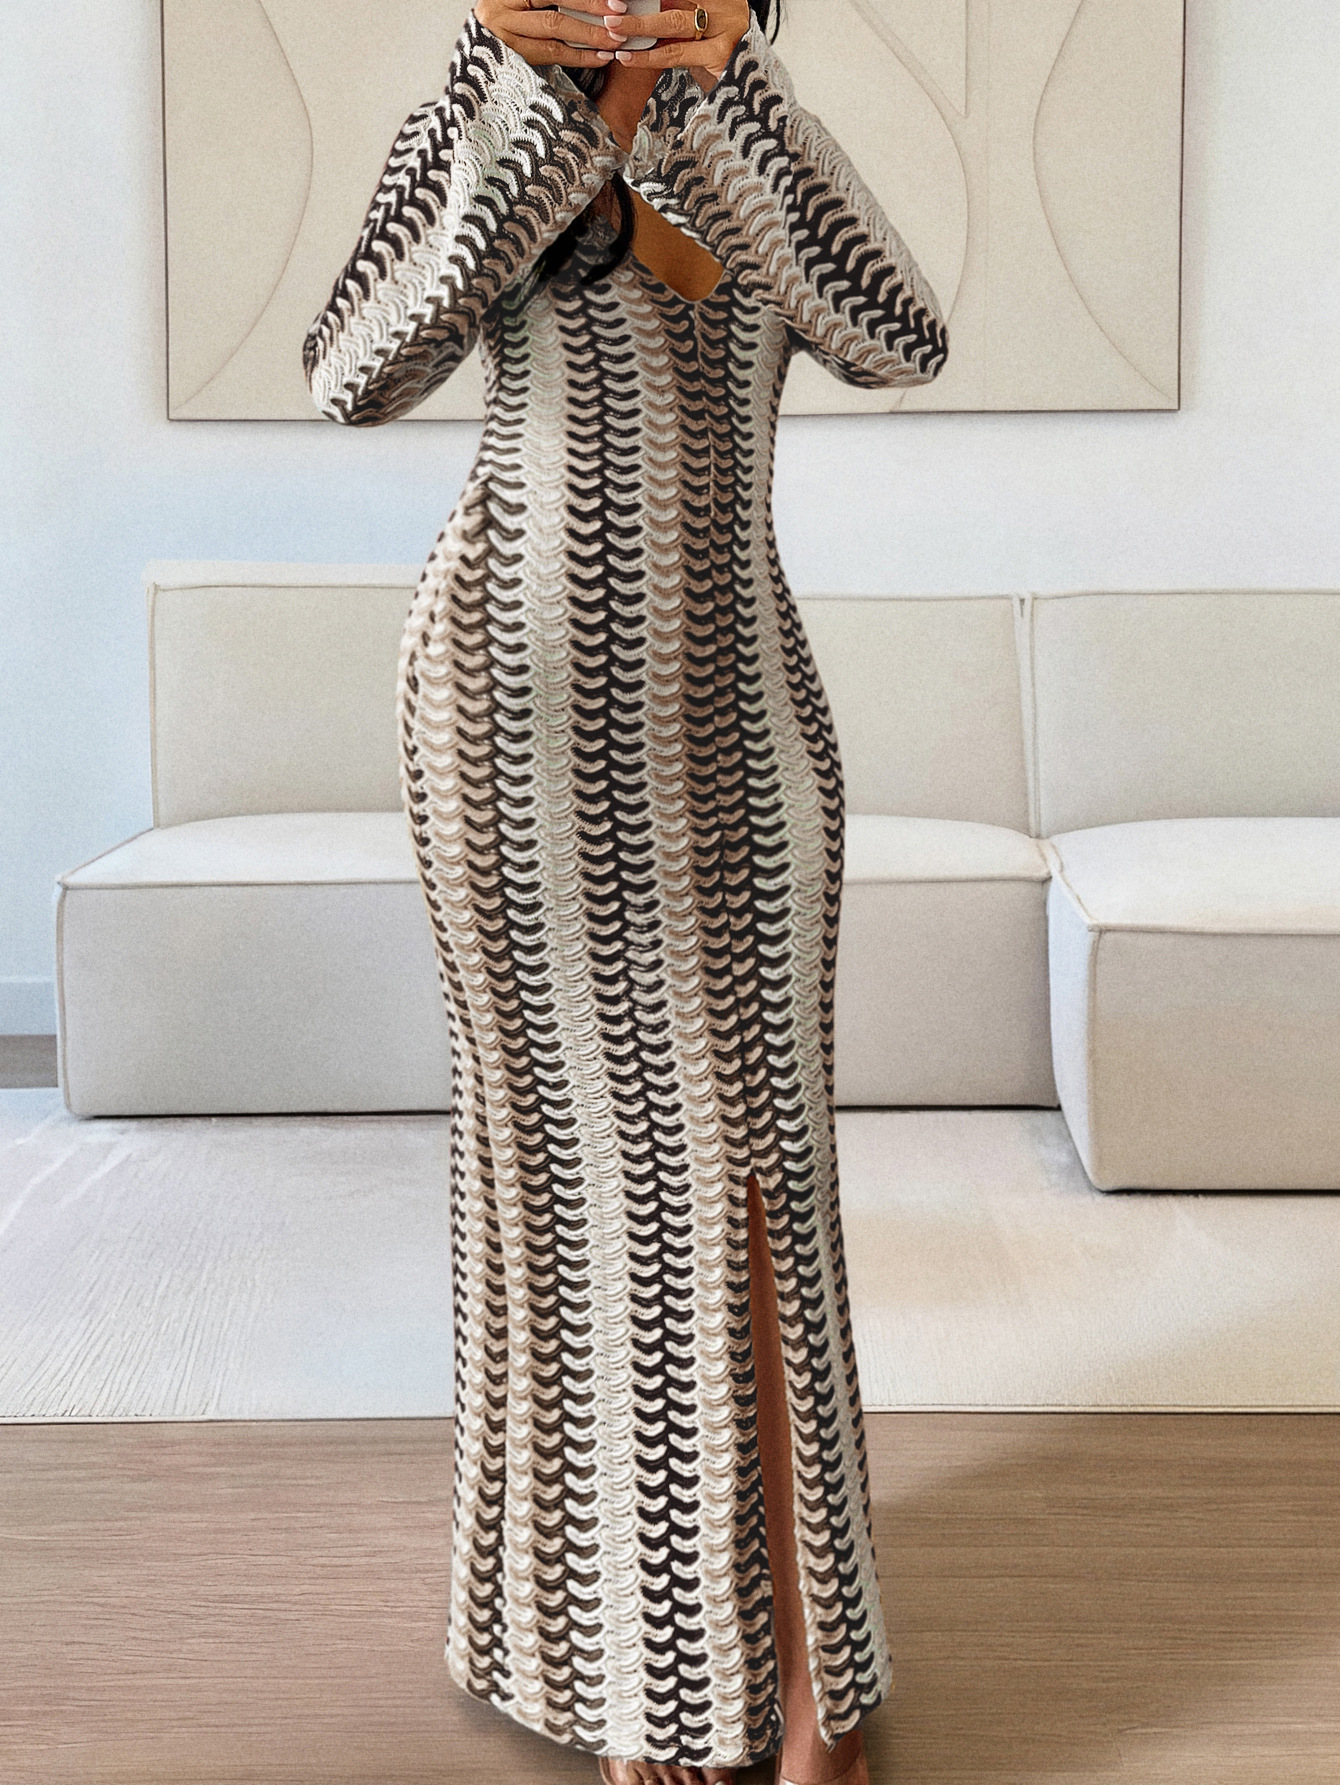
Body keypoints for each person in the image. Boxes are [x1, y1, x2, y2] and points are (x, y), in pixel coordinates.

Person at [303, 3, 948, 1781]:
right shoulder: (485, 110)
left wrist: (706, 95)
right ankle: (641, 1672)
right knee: (577, 1186)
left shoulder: (754, 119)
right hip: (510, 726)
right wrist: (529, 96)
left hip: (740, 713)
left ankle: (800, 1671)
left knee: (761, 1165)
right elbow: (354, 364)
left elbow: (898, 335)